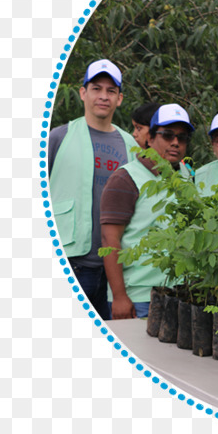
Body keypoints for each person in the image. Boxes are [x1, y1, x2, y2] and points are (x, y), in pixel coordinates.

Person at [49, 59, 137, 320]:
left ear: (119, 98)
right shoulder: (58, 138)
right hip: (71, 262)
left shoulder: (130, 145)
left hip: (118, 269)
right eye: (96, 88)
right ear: (82, 92)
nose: (103, 96)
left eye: (111, 91)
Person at [99, 104, 194, 319]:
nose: (175, 143)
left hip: (179, 294)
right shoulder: (125, 178)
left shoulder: (186, 175)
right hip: (140, 297)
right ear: (149, 138)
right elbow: (109, 240)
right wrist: (120, 297)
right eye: (167, 135)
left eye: (182, 137)